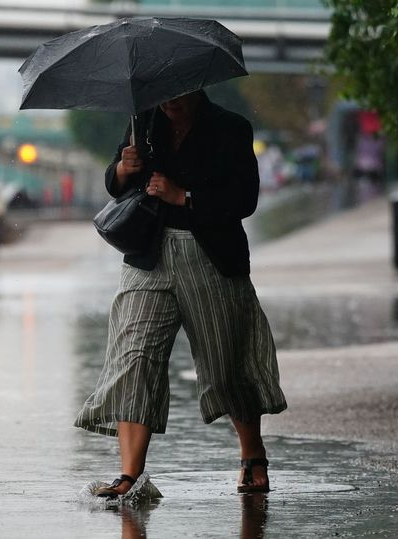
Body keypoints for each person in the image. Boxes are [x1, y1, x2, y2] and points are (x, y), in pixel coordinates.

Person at [74, 90, 288, 498]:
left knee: (227, 362)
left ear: (197, 85)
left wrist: (184, 197)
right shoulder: (144, 121)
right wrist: (121, 169)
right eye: (164, 93)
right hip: (147, 257)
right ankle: (128, 476)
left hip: (209, 255)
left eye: (178, 93)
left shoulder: (230, 127)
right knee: (133, 356)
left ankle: (252, 454)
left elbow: (245, 199)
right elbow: (117, 184)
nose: (170, 100)